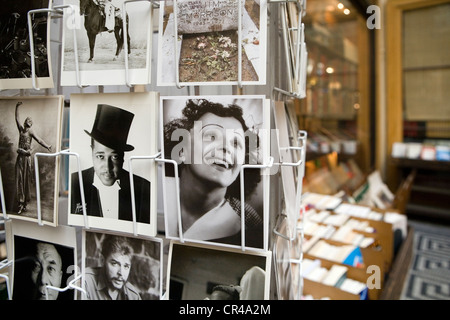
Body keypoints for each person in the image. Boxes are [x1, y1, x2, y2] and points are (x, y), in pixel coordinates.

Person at [163, 99, 263, 248]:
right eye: (211, 136)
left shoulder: (249, 223)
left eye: (236, 143)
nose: (226, 148)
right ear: (182, 150)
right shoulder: (154, 195)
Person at [70, 104, 151, 223]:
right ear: (91, 151)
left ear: (123, 157)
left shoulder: (143, 188)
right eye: (100, 156)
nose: (107, 167)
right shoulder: (75, 182)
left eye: (114, 157)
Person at [14, 101, 52, 214]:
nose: (27, 122)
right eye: (27, 120)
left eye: (29, 121)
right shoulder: (21, 130)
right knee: (19, 179)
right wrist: (17, 107)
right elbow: (16, 118)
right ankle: (20, 203)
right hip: (20, 157)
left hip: (27, 159)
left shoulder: (31, 132)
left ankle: (24, 203)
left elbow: (39, 140)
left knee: (25, 180)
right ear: (25, 122)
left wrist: (47, 146)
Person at [84, 234, 141, 300]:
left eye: (126, 266)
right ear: (102, 260)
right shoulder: (86, 282)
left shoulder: (133, 296)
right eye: (115, 264)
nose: (121, 273)